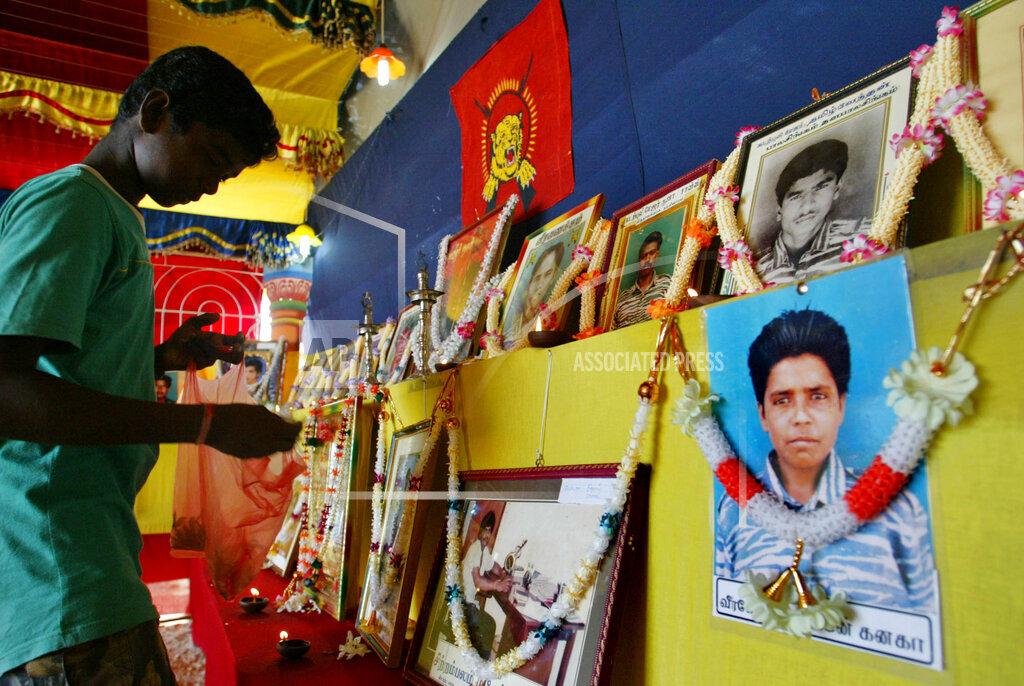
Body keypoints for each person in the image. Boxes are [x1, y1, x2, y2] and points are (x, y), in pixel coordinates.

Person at [0, 47, 301, 684]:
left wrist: (158, 357)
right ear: (157, 113)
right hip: (57, 569)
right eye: (215, 159)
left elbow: (64, 367)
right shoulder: (72, 204)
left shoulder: (117, 217)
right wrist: (204, 424)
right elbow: (5, 389)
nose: (214, 186)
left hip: (88, 553)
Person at [715, 309, 936, 612]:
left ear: (841, 406)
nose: (801, 417)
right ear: (763, 414)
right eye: (783, 400)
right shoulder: (731, 511)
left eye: (817, 397)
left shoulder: (900, 514)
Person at [755, 139, 871, 285]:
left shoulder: (867, 236)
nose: (808, 206)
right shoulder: (754, 269)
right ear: (779, 211)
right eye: (796, 196)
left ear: (836, 190)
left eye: (820, 188)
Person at [504, 241, 564, 342]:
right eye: (537, 278)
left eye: (548, 274)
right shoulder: (515, 310)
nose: (540, 284)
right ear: (530, 281)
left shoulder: (556, 304)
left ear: (554, 276)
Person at [612, 230, 672, 329]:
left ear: (657, 255)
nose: (647, 260)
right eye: (643, 256)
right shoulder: (621, 299)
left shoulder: (668, 283)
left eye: (651, 253)